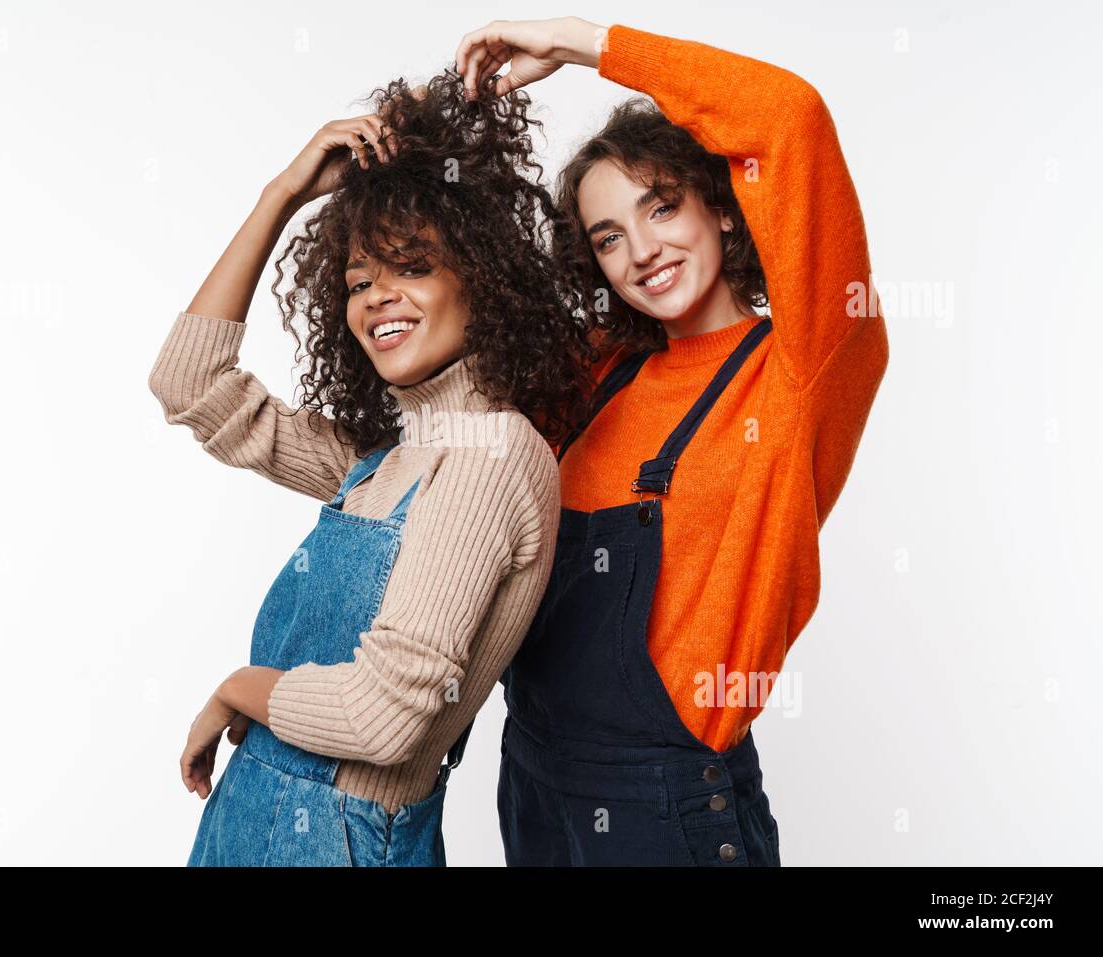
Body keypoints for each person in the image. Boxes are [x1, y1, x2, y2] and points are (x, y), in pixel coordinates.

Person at [453, 17, 890, 866]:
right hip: (535, 776)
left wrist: (584, 43)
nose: (642, 251)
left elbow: (789, 117)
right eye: (608, 237)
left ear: (722, 209)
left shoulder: (805, 369)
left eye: (662, 207)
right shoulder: (595, 374)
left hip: (665, 806)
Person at [147, 68, 592, 866]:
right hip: (248, 819)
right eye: (359, 281)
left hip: (341, 840)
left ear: (482, 280)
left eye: (412, 266)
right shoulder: (384, 462)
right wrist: (282, 195)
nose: (378, 298)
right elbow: (189, 385)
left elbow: (384, 719)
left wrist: (236, 688)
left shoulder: (493, 458)